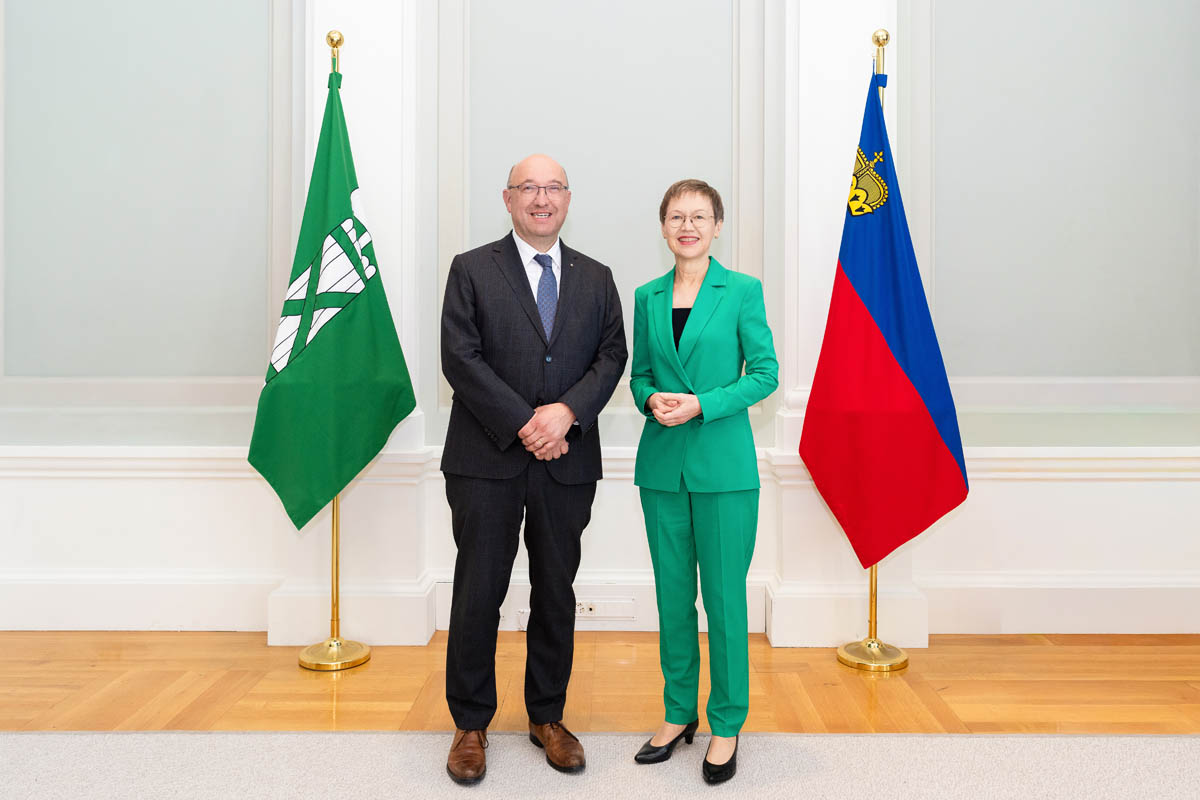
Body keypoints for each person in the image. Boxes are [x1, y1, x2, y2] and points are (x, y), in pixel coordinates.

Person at [439, 154, 627, 785]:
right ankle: (470, 724)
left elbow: (611, 357)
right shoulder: (471, 270)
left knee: (555, 591)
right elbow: (459, 359)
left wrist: (566, 413)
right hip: (484, 460)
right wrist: (528, 422)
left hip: (566, 463)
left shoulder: (597, 278)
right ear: (508, 198)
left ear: (568, 200)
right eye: (528, 188)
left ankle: (547, 716)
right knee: (478, 594)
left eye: (552, 188)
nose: (541, 198)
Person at [628, 179, 778, 784]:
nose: (687, 226)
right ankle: (676, 713)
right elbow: (638, 373)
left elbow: (765, 374)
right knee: (671, 600)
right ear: (663, 227)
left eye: (699, 216)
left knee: (723, 600)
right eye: (675, 216)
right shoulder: (646, 296)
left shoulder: (742, 291)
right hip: (662, 468)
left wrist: (701, 403)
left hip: (723, 470)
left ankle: (727, 723)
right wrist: (651, 400)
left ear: (718, 226)